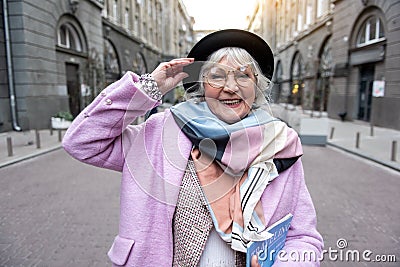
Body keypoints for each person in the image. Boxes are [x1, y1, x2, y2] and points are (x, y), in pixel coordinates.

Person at [63, 29, 323, 266]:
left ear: (257, 85)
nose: (230, 87)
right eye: (217, 76)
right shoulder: (161, 132)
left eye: (243, 75)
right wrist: (148, 88)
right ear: (202, 85)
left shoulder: (280, 144)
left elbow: (303, 236)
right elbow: (83, 141)